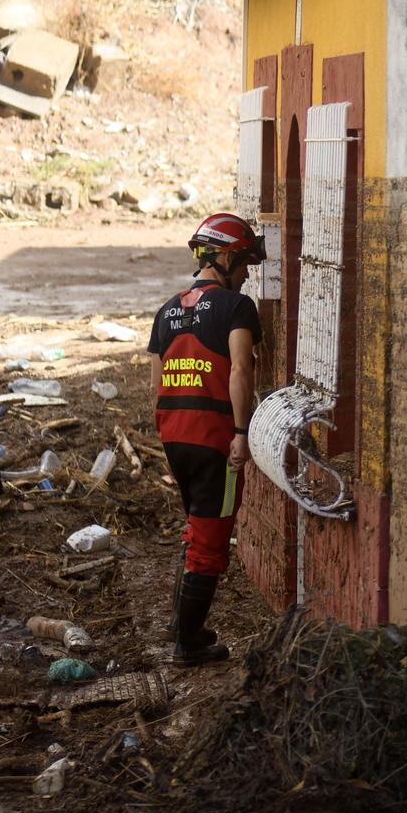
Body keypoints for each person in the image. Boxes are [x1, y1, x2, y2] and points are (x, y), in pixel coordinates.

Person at [148, 211, 264, 666]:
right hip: (216, 436)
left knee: (196, 527)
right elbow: (241, 369)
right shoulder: (237, 308)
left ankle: (182, 624)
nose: (247, 274)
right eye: (245, 264)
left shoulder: (167, 309)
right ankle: (189, 644)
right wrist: (241, 432)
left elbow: (156, 384)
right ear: (228, 257)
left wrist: (167, 433)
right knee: (212, 540)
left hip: (175, 435)